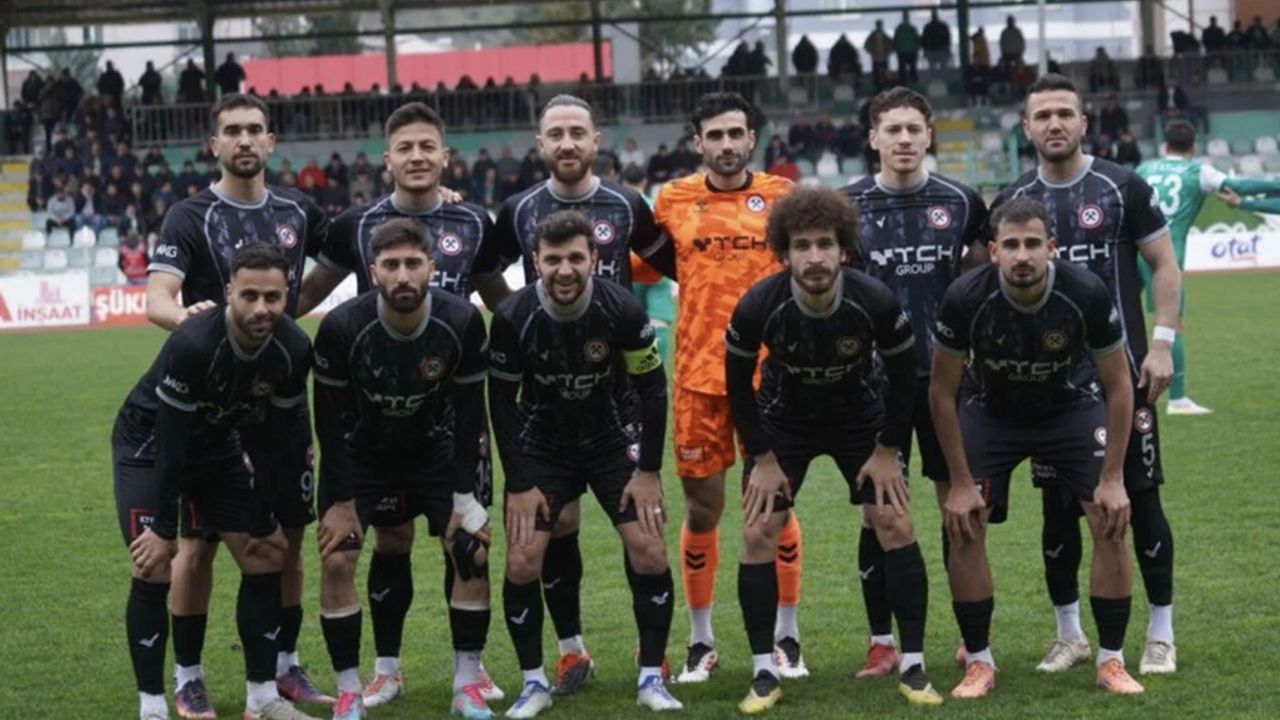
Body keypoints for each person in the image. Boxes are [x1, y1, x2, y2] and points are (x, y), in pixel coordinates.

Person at [296, 101, 506, 711]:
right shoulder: (354, 228)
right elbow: (305, 295)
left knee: (465, 540)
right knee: (384, 542)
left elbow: (501, 299)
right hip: (371, 424)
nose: (417, 157)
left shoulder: (474, 223)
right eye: (405, 148)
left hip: (445, 419)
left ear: (445, 155)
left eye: (427, 146)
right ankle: (382, 673)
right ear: (386, 158)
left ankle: (469, 673)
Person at [145, 94, 332, 717]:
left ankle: (284, 666)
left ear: (271, 141)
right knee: (198, 546)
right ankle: (189, 676)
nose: (245, 139)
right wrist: (188, 319)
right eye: (233, 130)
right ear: (215, 144)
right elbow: (157, 298)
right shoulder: (188, 215)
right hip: (209, 411)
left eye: (255, 129)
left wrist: (292, 310)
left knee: (289, 536)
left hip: (278, 400)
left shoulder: (298, 210)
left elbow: (346, 252)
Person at [992, 73, 1182, 677]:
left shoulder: (1123, 187)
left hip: (1122, 377)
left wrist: (1162, 345)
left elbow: (1165, 265)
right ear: (1026, 127)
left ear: (1084, 122)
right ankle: (1069, 634)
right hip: (1047, 386)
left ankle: (1160, 634)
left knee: (1140, 503)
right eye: (1043, 115)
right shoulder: (1014, 199)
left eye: (1064, 114)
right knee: (1057, 511)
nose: (1055, 124)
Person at [726, 187, 940, 712]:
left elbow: (904, 378)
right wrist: (763, 459)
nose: (815, 257)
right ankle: (764, 672)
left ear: (844, 249)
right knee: (758, 530)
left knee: (894, 522)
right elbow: (737, 387)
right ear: (784, 252)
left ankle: (913, 666)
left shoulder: (875, 300)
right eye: (802, 246)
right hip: (784, 421)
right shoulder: (758, 304)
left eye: (825, 244)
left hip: (859, 419)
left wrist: (887, 449)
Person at [479, 94, 665, 696]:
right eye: (555, 133)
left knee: (644, 539)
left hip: (615, 408)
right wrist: (518, 319)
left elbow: (675, 261)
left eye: (576, 133)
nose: (566, 143)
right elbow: (483, 267)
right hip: (547, 410)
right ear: (541, 143)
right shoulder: (518, 209)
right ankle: (564, 656)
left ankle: (651, 663)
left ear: (595, 139)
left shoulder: (627, 204)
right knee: (549, 532)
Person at [930, 196, 1143, 698]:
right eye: (1010, 245)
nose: (1022, 255)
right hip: (992, 412)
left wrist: (1113, 477)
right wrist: (958, 482)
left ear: (1052, 247)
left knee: (1110, 520)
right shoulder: (965, 296)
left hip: (1070, 407)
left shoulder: (1084, 291)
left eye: (1032, 244)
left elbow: (1119, 386)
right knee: (964, 525)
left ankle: (1111, 661)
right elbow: (941, 392)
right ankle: (979, 662)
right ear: (993, 251)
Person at [639, 92, 804, 683]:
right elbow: (643, 260)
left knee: (774, 505)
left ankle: (787, 636)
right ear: (697, 141)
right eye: (716, 135)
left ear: (752, 138)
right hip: (698, 377)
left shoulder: (784, 197)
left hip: (770, 376)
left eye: (737, 133)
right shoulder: (672, 200)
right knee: (703, 507)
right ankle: (701, 640)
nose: (727, 144)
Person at [489, 210, 681, 717]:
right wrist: (519, 483)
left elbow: (652, 390)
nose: (565, 269)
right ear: (535, 262)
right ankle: (534, 683)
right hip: (544, 444)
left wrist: (648, 472)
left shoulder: (622, 310)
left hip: (613, 439)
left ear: (594, 258)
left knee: (649, 548)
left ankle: (651, 676)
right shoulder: (511, 317)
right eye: (553, 259)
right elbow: (501, 404)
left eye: (576, 258)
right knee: (522, 558)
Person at [113, 244, 316, 720]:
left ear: (287, 295)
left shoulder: (292, 348)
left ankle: (262, 698)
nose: (261, 308)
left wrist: (264, 511)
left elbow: (277, 438)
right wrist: (164, 528)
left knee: (266, 550)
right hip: (149, 445)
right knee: (152, 562)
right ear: (229, 292)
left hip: (217, 444)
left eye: (273, 297)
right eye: (249, 296)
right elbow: (171, 443)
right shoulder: (193, 342)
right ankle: (154, 705)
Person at [840, 87, 988, 677]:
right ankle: (882, 642)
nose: (903, 139)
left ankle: (972, 638)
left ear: (929, 135)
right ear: (873, 137)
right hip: (873, 387)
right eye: (892, 129)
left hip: (948, 383)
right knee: (878, 513)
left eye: (913, 129)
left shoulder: (962, 202)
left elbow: (982, 284)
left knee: (961, 504)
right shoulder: (846, 206)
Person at [1136, 119, 1280, 414]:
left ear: (1164, 145)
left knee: (1120, 317)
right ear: (1193, 146)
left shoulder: (1144, 169)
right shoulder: (1198, 171)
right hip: (1164, 254)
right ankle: (1177, 399)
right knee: (1171, 325)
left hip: (1131, 250)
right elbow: (1239, 186)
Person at [893, 11, 921, 83]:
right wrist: (916, 48)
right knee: (911, 70)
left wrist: (896, 48)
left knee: (905, 70)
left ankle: (904, 84)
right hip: (909, 52)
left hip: (903, 52)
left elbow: (895, 41)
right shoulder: (911, 29)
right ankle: (912, 84)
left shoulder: (900, 29)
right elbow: (917, 40)